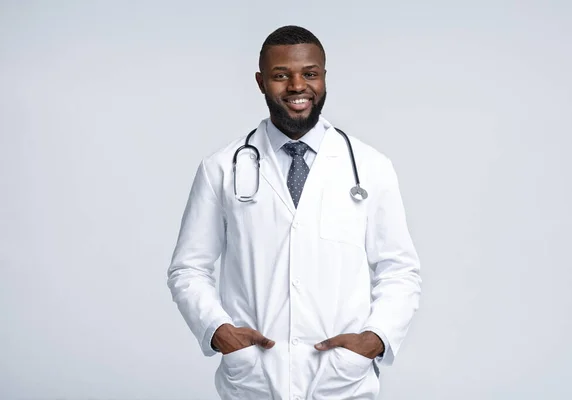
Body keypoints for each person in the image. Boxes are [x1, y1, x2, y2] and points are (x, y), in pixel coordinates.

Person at [167, 25, 421, 400]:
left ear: (323, 77)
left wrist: (376, 338)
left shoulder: (370, 166)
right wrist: (218, 329)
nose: (297, 86)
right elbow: (188, 268)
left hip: (341, 378)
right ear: (261, 81)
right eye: (281, 75)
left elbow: (399, 269)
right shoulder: (221, 168)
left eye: (310, 74)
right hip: (254, 378)